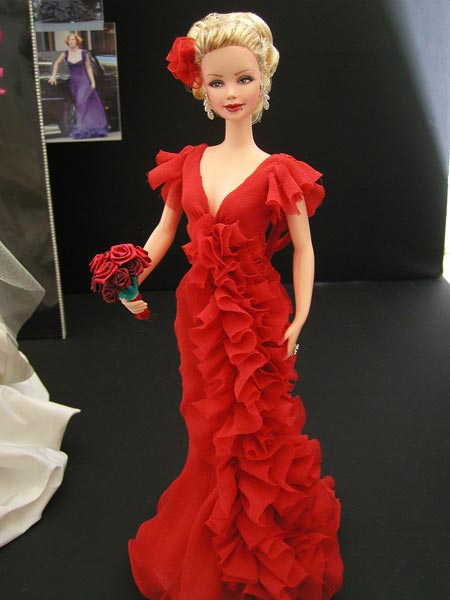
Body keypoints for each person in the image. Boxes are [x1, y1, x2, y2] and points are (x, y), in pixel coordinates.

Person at [124, 12, 344, 600]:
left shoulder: (278, 171)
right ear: (201, 86)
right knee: (208, 427)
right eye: (217, 81)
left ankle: (256, 544)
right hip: (198, 315)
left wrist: (300, 316)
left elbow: (303, 248)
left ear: (264, 78)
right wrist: (130, 275)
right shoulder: (191, 162)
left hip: (258, 315)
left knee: (255, 426)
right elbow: (163, 232)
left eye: (243, 78)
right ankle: (211, 532)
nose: (231, 93)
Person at [48, 33, 108, 139]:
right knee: (80, 105)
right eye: (69, 40)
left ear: (77, 41)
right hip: (74, 83)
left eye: (73, 40)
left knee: (81, 103)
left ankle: (81, 128)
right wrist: (53, 76)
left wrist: (92, 82)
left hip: (84, 81)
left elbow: (88, 68)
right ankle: (89, 127)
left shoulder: (84, 53)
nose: (71, 41)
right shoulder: (65, 54)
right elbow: (57, 63)